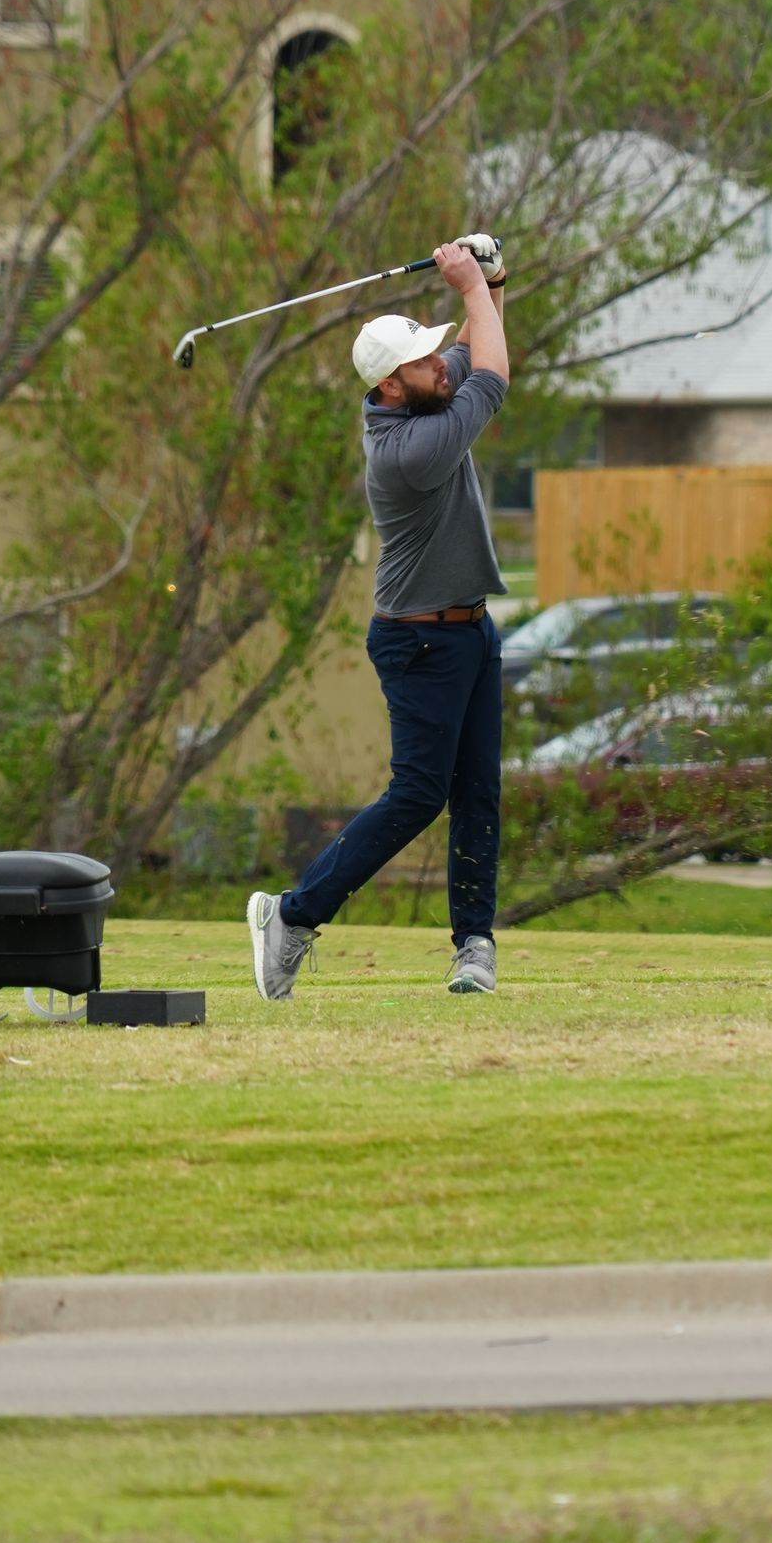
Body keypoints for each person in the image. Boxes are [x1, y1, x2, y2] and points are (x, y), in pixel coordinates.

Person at [248, 234, 509, 1002]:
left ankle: (474, 947)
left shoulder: (420, 393)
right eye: (428, 362)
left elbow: (477, 339)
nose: (443, 364)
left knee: (479, 793)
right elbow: (491, 375)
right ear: (393, 388)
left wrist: (492, 280)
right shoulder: (408, 451)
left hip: (469, 632)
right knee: (419, 795)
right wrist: (470, 288)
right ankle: (293, 917)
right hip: (419, 642)